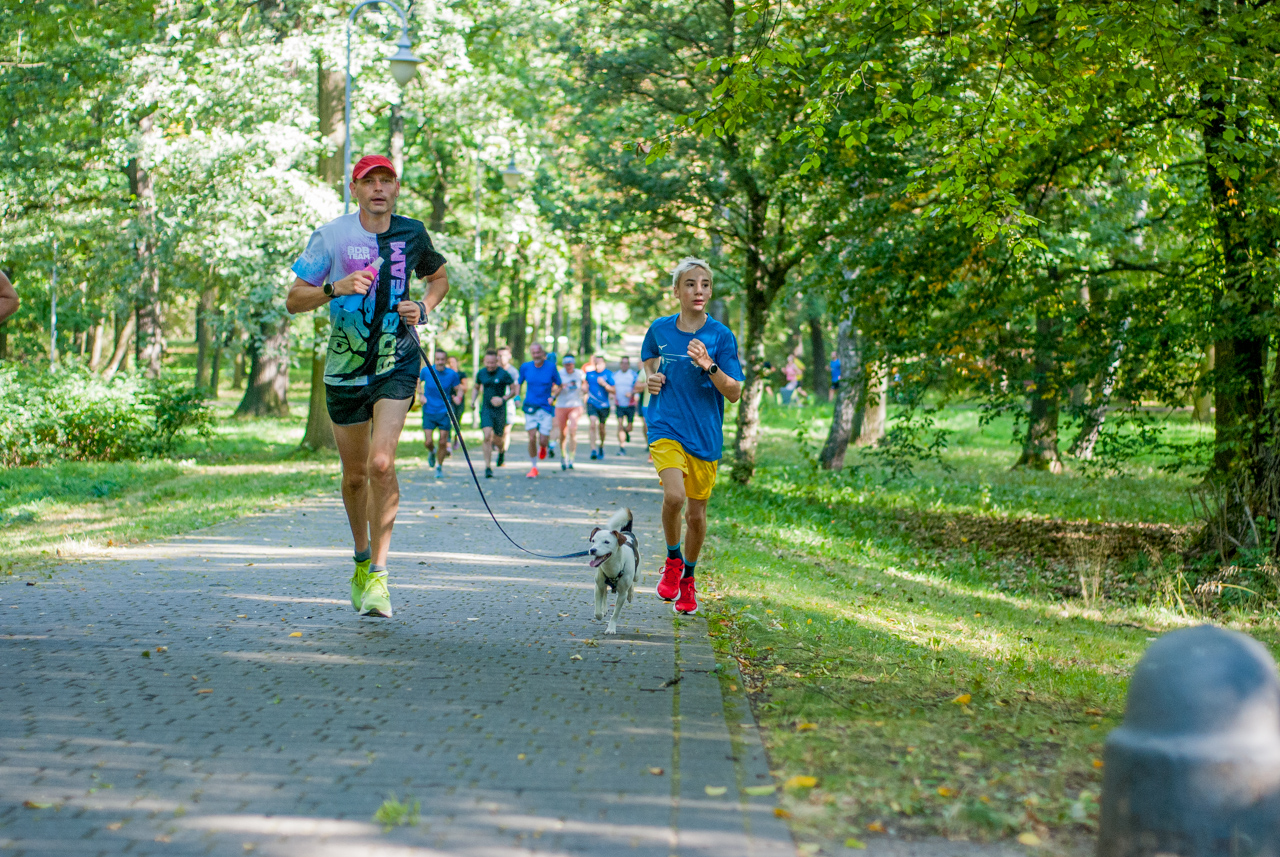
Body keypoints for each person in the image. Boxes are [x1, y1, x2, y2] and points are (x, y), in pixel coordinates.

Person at [285, 153, 448, 619]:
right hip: (344, 367)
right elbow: (294, 300)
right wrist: (335, 288)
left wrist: (424, 306)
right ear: (354, 189)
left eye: (387, 181)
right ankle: (360, 558)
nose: (379, 188)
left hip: (396, 361)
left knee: (381, 463)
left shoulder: (413, 233)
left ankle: (379, 574)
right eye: (369, 181)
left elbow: (437, 278)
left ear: (396, 190)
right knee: (355, 475)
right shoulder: (332, 236)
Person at [643, 257, 743, 616]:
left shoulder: (720, 336)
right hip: (666, 426)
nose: (698, 290)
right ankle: (672, 560)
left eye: (704, 284)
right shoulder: (660, 328)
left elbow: (733, 392)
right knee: (674, 495)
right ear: (676, 291)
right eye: (690, 284)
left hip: (704, 436)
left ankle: (688, 578)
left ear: (710, 291)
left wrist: (709, 366)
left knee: (696, 516)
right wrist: (651, 379)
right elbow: (650, 360)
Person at [517, 342, 560, 478]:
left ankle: (543, 447)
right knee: (531, 437)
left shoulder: (551, 367)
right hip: (530, 406)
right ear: (531, 354)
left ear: (543, 353)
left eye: (538, 353)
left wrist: (553, 397)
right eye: (533, 353)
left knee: (543, 439)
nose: (536, 355)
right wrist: (517, 396)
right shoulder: (525, 367)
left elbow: (560, 385)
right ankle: (534, 467)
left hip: (545, 407)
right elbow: (519, 382)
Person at [471, 348, 516, 478]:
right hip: (486, 409)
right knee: (486, 436)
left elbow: (513, 391)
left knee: (498, 439)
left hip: (500, 410)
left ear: (496, 361)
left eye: (492, 363)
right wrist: (473, 401)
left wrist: (503, 399)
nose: (490, 366)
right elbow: (476, 388)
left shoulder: (503, 374)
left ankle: (501, 451)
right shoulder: (481, 373)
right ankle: (487, 467)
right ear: (484, 361)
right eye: (488, 363)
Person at [418, 347, 462, 478]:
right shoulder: (426, 371)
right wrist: (420, 395)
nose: (440, 362)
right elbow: (417, 382)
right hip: (429, 410)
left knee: (443, 441)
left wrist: (458, 397)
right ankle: (432, 452)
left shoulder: (452, 374)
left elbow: (459, 389)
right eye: (437, 359)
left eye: (442, 359)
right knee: (428, 442)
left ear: (446, 360)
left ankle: (439, 466)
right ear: (434, 360)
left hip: (444, 411)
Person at [553, 353, 587, 470]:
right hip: (561, 405)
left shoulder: (579, 374)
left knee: (573, 430)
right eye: (566, 365)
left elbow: (585, 386)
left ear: (573, 364)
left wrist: (585, 390)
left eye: (571, 364)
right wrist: (559, 387)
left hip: (575, 405)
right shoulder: (559, 374)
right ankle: (563, 456)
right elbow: (553, 389)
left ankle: (572, 458)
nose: (569, 367)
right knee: (562, 433)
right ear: (563, 365)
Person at [584, 354, 614, 460]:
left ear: (604, 363)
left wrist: (605, 384)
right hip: (592, 403)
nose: (597, 365)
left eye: (599, 363)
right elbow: (585, 386)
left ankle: (601, 445)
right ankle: (593, 449)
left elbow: (614, 390)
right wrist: (584, 389)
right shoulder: (589, 374)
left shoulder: (609, 374)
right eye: (595, 363)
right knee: (592, 424)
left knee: (601, 428)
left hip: (604, 405)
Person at [611, 355, 639, 455]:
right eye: (622, 363)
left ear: (629, 364)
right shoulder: (615, 375)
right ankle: (622, 447)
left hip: (630, 404)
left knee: (629, 427)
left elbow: (638, 387)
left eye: (626, 363)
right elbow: (611, 387)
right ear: (620, 364)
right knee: (620, 424)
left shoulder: (633, 375)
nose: (624, 365)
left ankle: (627, 432)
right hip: (619, 404)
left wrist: (632, 394)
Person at [497, 345, 517, 466]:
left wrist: (513, 398)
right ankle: (499, 447)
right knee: (496, 433)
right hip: (494, 406)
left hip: (508, 404)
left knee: (506, 431)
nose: (501, 358)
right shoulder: (493, 369)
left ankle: (502, 453)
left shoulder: (513, 371)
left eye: (504, 355)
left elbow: (515, 388)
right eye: (499, 355)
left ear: (509, 356)